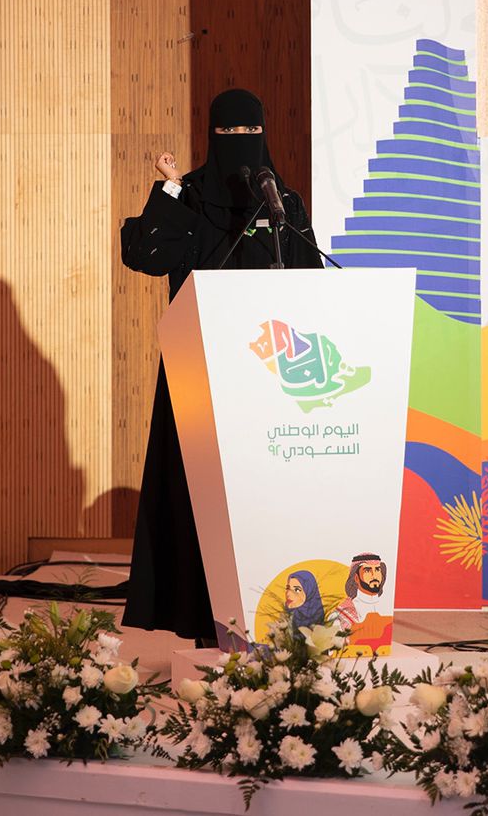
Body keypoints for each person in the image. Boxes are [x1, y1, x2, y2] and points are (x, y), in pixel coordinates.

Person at [119, 89, 322, 645]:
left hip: (270, 378)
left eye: (248, 133)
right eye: (229, 134)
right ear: (212, 136)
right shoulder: (189, 195)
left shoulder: (281, 202)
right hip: (201, 370)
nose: (240, 144)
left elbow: (310, 280)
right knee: (199, 493)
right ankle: (199, 612)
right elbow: (144, 256)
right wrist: (169, 188)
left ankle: (274, 609)